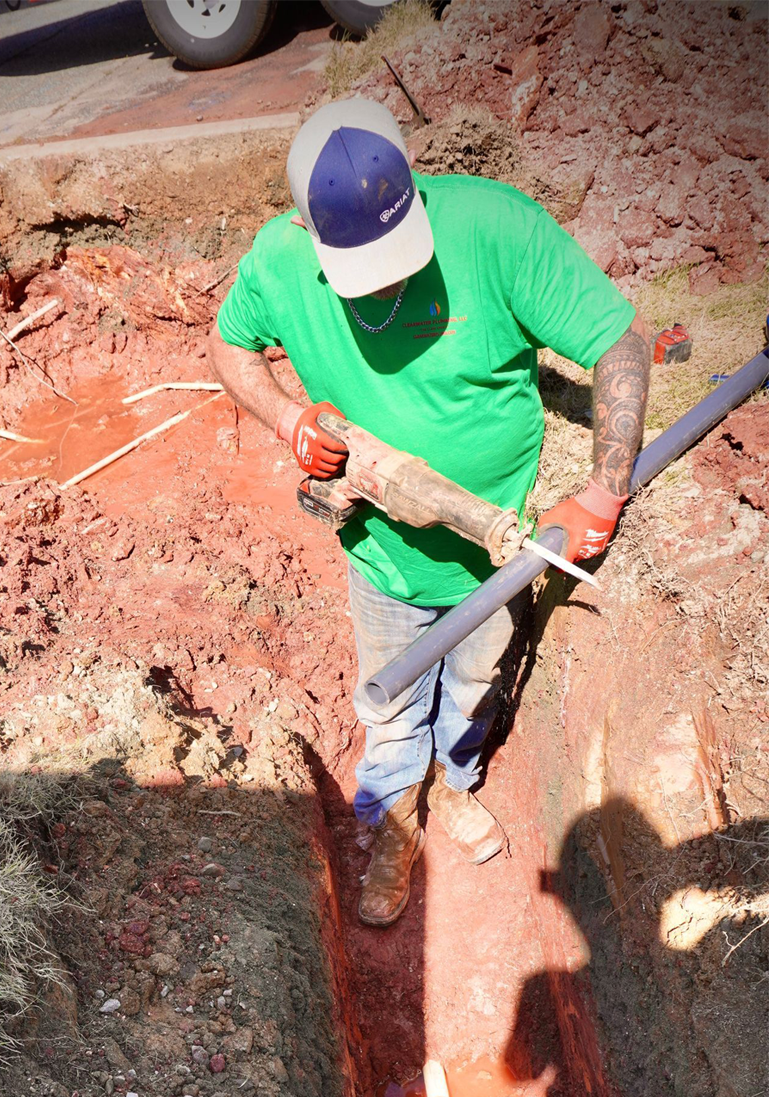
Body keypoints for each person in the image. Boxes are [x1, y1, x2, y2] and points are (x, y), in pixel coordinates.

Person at [207, 97, 649, 927]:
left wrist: (605, 485)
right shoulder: (277, 261)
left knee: (477, 682)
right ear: (307, 231)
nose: (389, 276)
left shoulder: (493, 229)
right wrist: (289, 420)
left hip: (499, 557)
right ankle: (400, 823)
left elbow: (618, 341)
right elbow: (228, 342)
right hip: (382, 557)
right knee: (395, 701)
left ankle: (455, 783)